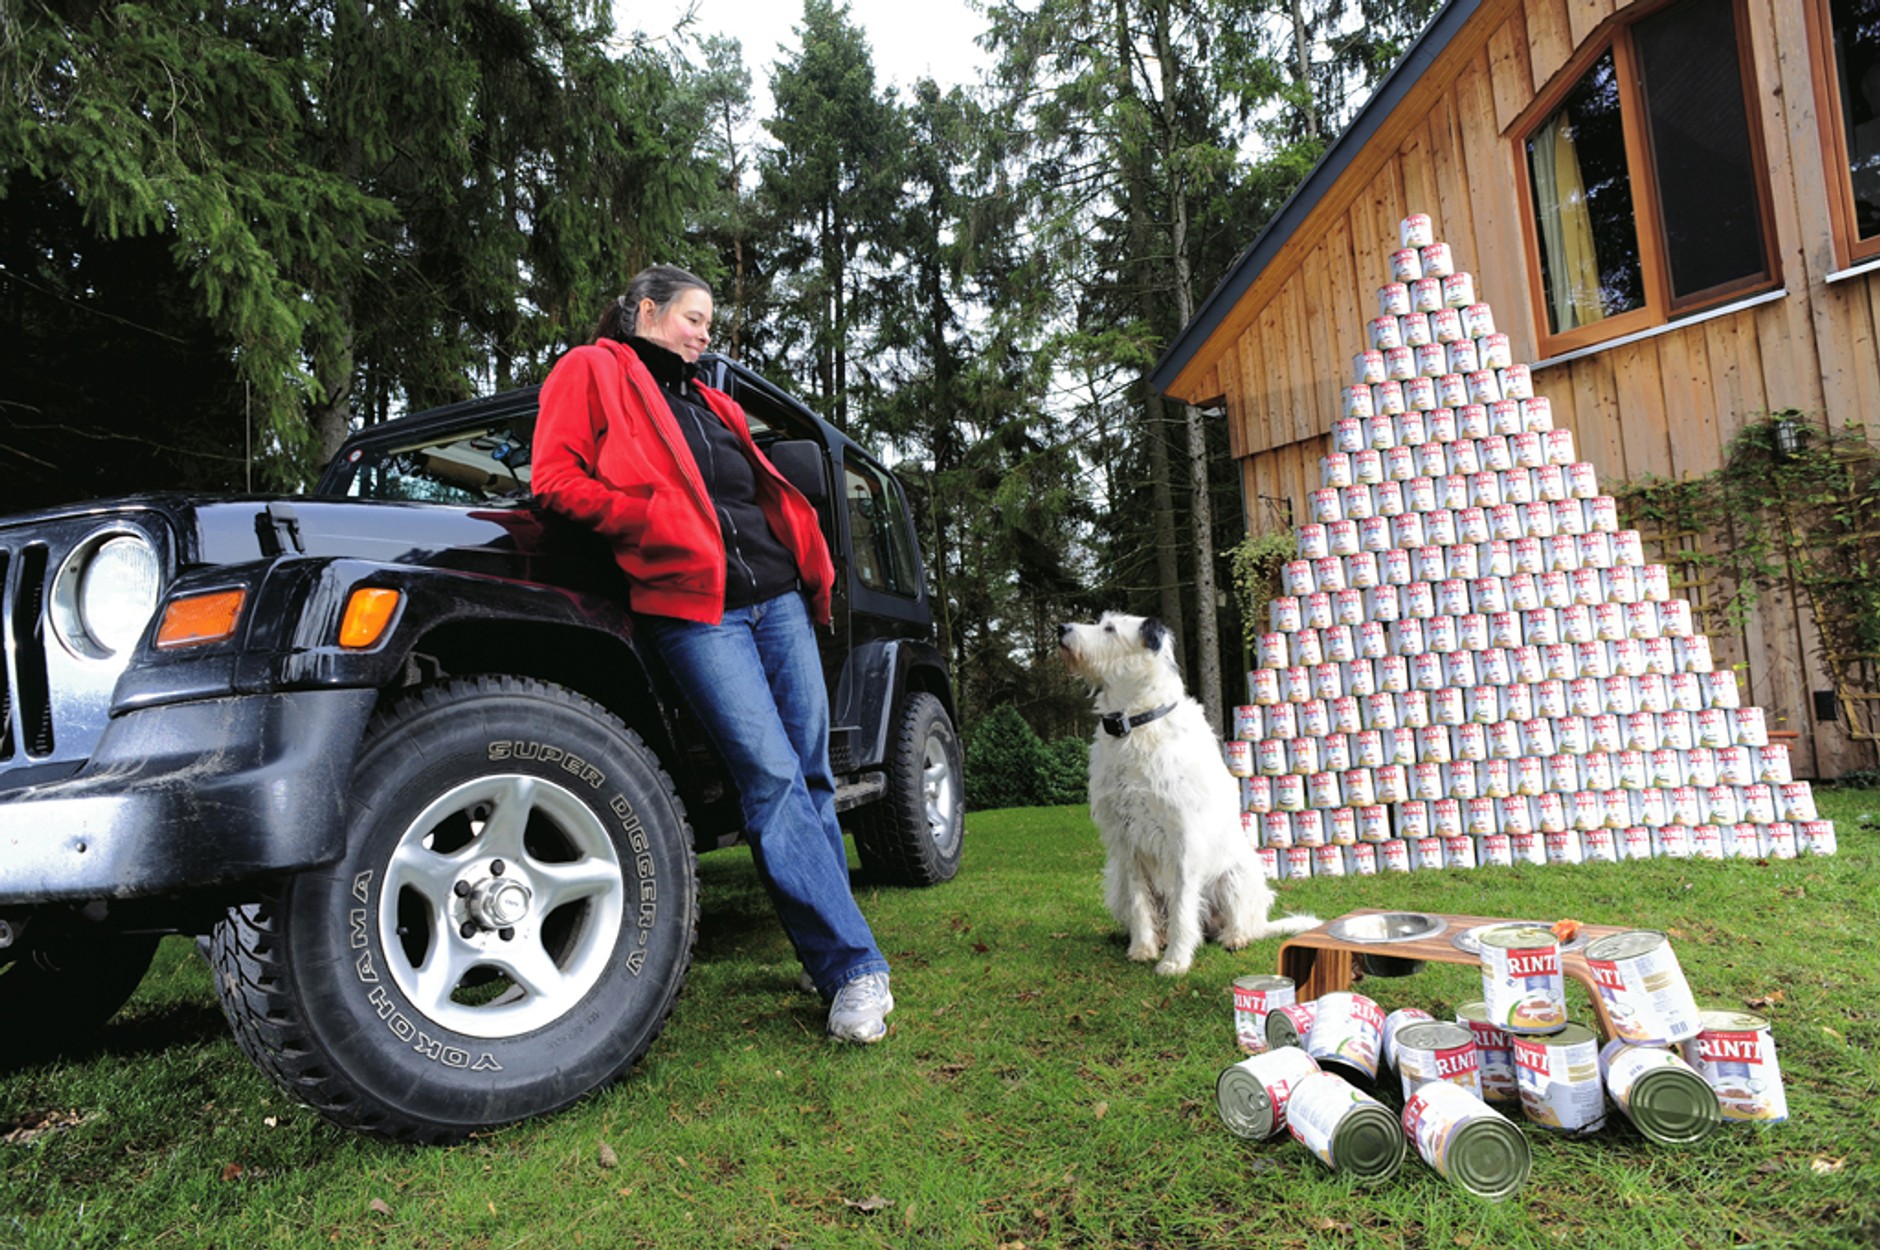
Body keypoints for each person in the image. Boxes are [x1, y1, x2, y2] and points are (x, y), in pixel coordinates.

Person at [532, 265, 895, 1043]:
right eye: (693, 317)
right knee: (768, 778)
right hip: (696, 611)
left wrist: (808, 561)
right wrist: (652, 515)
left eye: (708, 321)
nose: (704, 332)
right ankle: (852, 968)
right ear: (646, 311)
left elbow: (752, 494)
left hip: (778, 600)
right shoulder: (591, 369)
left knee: (813, 775)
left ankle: (826, 947)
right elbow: (555, 482)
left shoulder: (710, 398)